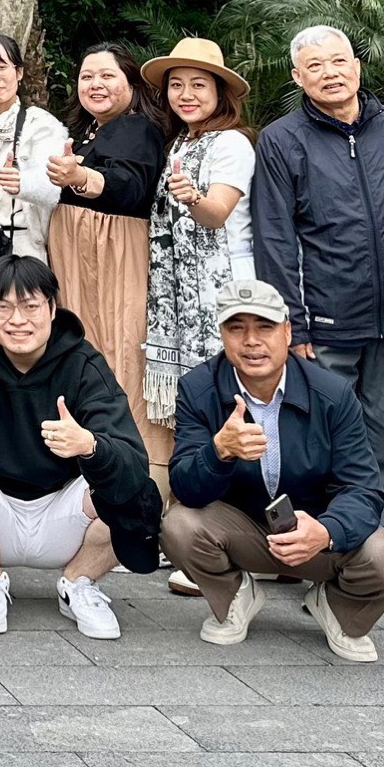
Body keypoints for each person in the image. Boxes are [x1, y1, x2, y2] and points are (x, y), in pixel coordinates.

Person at [256, 24, 384, 608]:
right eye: (315, 66)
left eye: (339, 61)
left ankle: (379, 556)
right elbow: (275, 237)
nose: (330, 73)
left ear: (357, 65)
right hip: (324, 323)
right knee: (318, 441)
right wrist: (292, 323)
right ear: (298, 77)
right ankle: (314, 553)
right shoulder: (282, 140)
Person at [164, 279, 384, 661]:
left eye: (265, 327)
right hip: (241, 532)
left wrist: (327, 531)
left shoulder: (332, 393)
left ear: (288, 331)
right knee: (178, 525)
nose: (251, 341)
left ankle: (337, 609)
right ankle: (235, 597)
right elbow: (185, 487)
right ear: (222, 335)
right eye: (236, 328)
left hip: (315, 533)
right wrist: (218, 451)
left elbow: (363, 488)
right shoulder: (198, 389)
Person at [0, 253, 160, 640]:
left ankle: (78, 583)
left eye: (30, 306)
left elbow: (132, 458)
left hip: (64, 512)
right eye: (3, 307)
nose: (17, 320)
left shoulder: (83, 363)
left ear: (52, 308)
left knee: (136, 487)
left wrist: (90, 445)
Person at [139, 38, 256, 486]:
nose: (185, 94)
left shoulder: (232, 143)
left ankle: (237, 500)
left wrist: (194, 198)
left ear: (219, 92)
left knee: (229, 394)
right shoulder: (179, 143)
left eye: (198, 85)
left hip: (223, 290)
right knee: (194, 409)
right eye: (176, 85)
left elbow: (217, 213)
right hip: (178, 290)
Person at [44, 41, 168, 444]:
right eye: (87, 76)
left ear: (131, 83)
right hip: (83, 261)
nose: (95, 84)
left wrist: (81, 178)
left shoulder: (136, 128)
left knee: (119, 347)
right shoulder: (91, 133)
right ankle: (93, 445)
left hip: (111, 256)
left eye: (107, 75)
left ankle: (135, 453)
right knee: (90, 348)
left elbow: (129, 186)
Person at [0, 32, 70, 313]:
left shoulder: (41, 125)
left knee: (22, 320)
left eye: (2, 67)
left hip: (24, 248)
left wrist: (23, 183)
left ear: (19, 72)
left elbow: (54, 189)